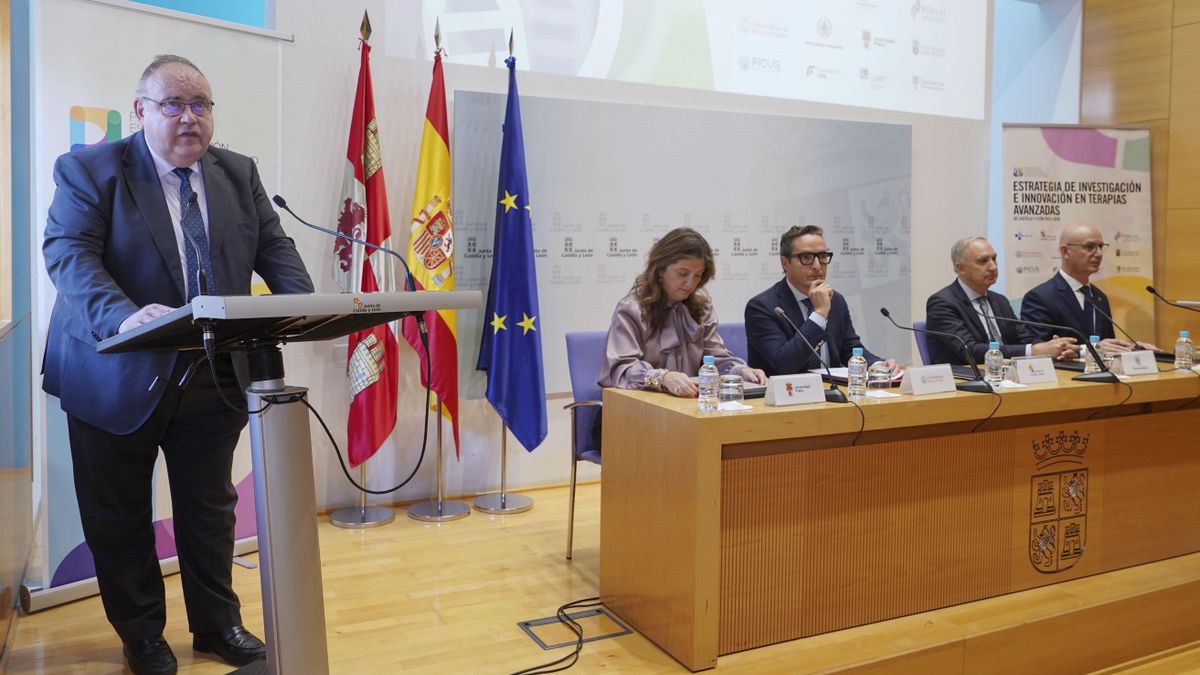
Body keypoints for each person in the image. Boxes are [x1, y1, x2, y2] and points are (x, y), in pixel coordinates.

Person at [42, 55, 314, 675]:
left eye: (202, 105)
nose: (191, 118)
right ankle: (142, 637)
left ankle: (218, 626)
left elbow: (273, 247)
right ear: (139, 111)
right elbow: (70, 254)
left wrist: (303, 306)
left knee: (209, 508)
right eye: (174, 105)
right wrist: (122, 315)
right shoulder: (91, 169)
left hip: (211, 373)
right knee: (120, 515)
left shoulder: (236, 172)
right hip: (115, 369)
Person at [599, 227, 766, 396]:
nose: (690, 284)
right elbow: (621, 370)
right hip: (642, 409)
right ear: (660, 270)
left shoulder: (702, 309)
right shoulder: (632, 309)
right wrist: (662, 377)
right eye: (682, 273)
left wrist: (741, 371)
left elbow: (716, 359)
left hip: (689, 405)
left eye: (698, 275)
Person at [745, 225, 897, 376]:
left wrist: (877, 365)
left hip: (832, 391)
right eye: (806, 258)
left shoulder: (836, 300)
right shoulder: (762, 307)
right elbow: (784, 364)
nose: (818, 266)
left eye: (823, 257)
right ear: (785, 263)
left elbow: (849, 348)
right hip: (786, 394)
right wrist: (819, 315)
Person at [925, 237, 1078, 364]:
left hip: (1008, 377)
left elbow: (1024, 337)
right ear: (961, 268)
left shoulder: (999, 300)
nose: (993, 267)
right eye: (983, 261)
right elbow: (970, 350)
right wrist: (1034, 351)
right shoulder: (942, 303)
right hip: (965, 382)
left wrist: (1054, 348)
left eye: (994, 259)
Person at [1020, 223, 1158, 352]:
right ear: (1065, 251)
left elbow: (1106, 345)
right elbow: (1038, 350)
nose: (1098, 254)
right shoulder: (1040, 297)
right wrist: (1092, 349)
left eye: (1101, 246)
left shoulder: (1099, 297)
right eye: (1089, 247)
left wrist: (1132, 349)